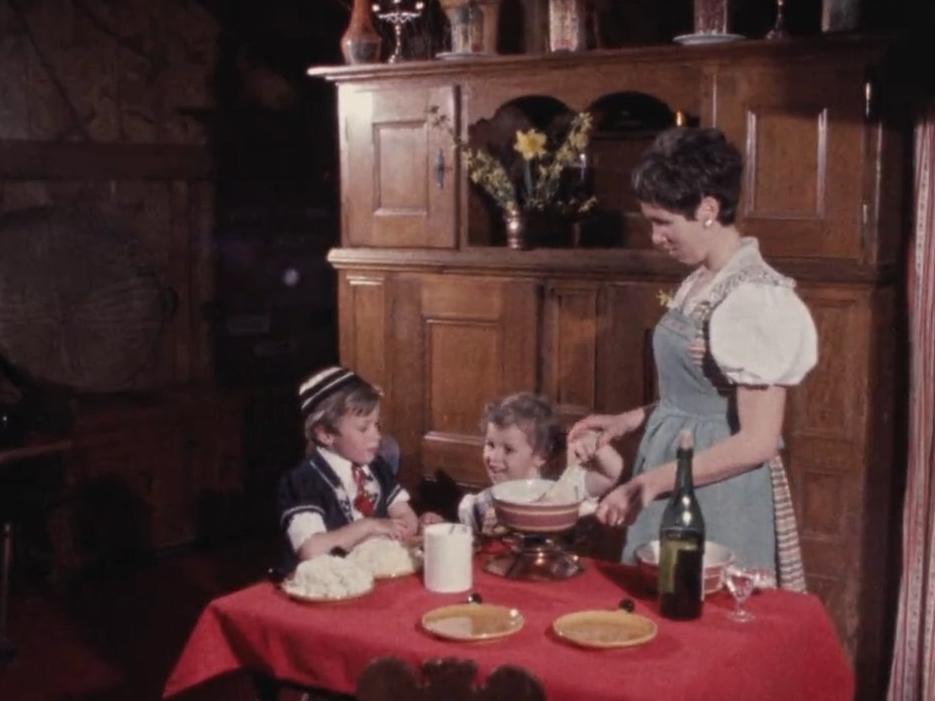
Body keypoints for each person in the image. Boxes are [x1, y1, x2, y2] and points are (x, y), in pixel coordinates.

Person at [569, 127, 818, 590]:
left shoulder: (754, 298)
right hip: (670, 475)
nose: (655, 237)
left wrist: (650, 484)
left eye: (664, 222)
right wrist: (626, 421)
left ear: (708, 208)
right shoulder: (701, 279)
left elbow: (759, 442)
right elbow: (694, 398)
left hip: (716, 492)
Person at [422, 392, 624, 535]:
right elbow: (462, 535)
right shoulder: (481, 503)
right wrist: (439, 524)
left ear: (540, 455)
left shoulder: (565, 488)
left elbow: (611, 473)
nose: (493, 457)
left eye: (508, 450)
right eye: (490, 445)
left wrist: (595, 443)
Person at [278, 366, 418, 570]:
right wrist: (368, 527)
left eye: (377, 425)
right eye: (364, 428)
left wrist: (395, 529)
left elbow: (407, 517)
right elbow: (311, 549)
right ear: (325, 434)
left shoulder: (376, 468)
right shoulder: (303, 481)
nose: (377, 435)